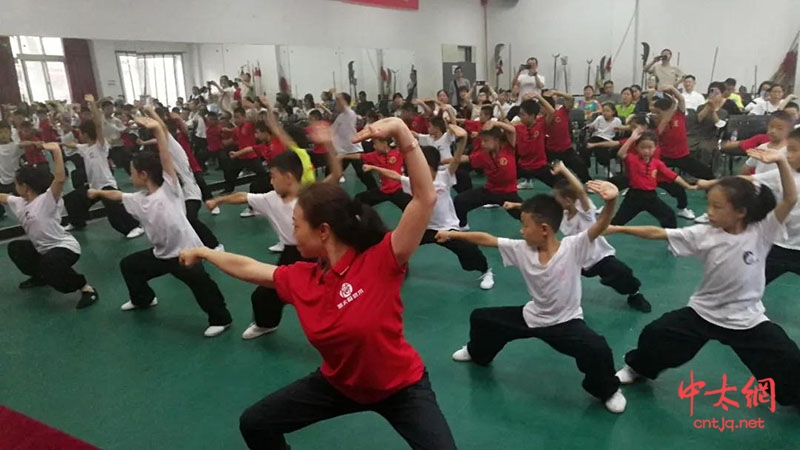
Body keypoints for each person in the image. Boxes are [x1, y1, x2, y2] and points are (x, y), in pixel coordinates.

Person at [178, 117, 457, 450]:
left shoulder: (381, 259)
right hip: (340, 385)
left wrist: (400, 130)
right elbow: (250, 268)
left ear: (323, 231)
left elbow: (424, 199)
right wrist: (206, 253)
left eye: (297, 226)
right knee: (255, 423)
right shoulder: (301, 277)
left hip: (401, 388)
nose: (292, 233)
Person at [612, 148, 800, 409]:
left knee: (787, 357)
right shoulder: (704, 234)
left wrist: (781, 160)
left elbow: (790, 198)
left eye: (717, 207)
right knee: (657, 334)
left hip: (747, 319)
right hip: (703, 313)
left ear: (741, 212)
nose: (709, 212)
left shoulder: (762, 231)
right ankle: (638, 368)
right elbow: (657, 233)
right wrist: (617, 228)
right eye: (709, 204)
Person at [440, 180, 628, 413]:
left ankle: (608, 391)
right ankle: (477, 352)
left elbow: (599, 225)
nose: (521, 230)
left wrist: (611, 202)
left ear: (544, 230)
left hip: (565, 322)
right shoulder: (521, 248)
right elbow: (487, 239)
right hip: (533, 315)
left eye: (524, 225)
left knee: (597, 349)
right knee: (481, 318)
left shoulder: (572, 247)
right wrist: (454, 235)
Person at [89, 114, 232, 337]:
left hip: (186, 252)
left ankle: (221, 319)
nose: (130, 176)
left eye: (132, 172)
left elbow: (166, 159)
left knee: (202, 285)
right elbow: (117, 195)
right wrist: (98, 192)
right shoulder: (137, 198)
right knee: (130, 265)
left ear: (144, 174)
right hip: (161, 254)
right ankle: (143, 299)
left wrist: (158, 130)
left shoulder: (170, 190)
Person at [506, 161, 652, 312]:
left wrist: (563, 169)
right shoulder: (561, 215)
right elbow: (540, 209)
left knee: (623, 274)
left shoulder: (584, 212)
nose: (554, 201)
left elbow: (580, 191)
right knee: (554, 271)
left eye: (557, 198)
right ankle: (553, 298)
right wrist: (515, 205)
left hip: (598, 258)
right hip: (576, 258)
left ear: (568, 201)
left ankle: (635, 295)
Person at [367, 124, 495, 289]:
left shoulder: (444, 177)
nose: (421, 172)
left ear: (434, 167)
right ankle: (396, 268)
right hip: (424, 228)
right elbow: (395, 176)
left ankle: (486, 271)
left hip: (448, 228)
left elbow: (456, 159)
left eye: (426, 168)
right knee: (397, 246)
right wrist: (374, 168)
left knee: (469, 251)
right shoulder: (415, 181)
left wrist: (462, 139)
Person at [1, 142, 98, 309]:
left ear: (25, 186)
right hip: (44, 251)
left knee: (50, 264)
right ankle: (40, 277)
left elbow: (59, 178)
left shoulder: (46, 200)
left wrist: (56, 151)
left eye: (17, 184)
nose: (14, 188)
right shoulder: (19, 202)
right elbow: (2, 197)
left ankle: (86, 288)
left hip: (65, 248)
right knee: (16, 248)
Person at [62, 95, 143, 238]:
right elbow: (72, 145)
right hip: (94, 187)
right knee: (71, 199)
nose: (78, 135)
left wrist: (92, 104)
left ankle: (135, 226)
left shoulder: (100, 146)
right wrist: (56, 145)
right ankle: (77, 222)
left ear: (86, 134)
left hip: (107, 186)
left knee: (115, 216)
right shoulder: (84, 147)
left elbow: (98, 125)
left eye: (80, 133)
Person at [611, 130, 697, 228]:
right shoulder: (632, 159)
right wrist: (631, 139)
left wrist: (688, 186)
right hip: (634, 198)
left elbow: (672, 176)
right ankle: (597, 238)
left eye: (650, 147)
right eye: (642, 147)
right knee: (616, 222)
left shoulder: (657, 163)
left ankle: (673, 241)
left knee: (669, 216)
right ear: (637, 148)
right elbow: (621, 154)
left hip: (651, 197)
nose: (646, 151)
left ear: (655, 148)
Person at [453, 123, 523, 229]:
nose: (482, 144)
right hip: (489, 190)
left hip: (508, 193)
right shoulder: (483, 155)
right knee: (460, 201)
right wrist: (444, 161)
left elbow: (512, 130)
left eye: (486, 141)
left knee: (527, 214)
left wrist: (496, 123)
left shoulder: (509, 148)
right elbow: (465, 158)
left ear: (496, 140)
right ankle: (463, 225)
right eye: (482, 141)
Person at [653, 86, 714, 186]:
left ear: (667, 110)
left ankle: (712, 190)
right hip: (664, 156)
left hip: (682, 156)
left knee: (707, 173)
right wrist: (669, 111)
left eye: (658, 112)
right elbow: (659, 130)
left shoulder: (679, 114)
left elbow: (681, 99)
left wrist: (672, 88)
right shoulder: (658, 122)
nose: (657, 114)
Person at [343, 136, 411, 211]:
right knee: (359, 199)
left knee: (409, 208)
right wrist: (343, 156)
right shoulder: (375, 156)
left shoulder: (398, 153)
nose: (374, 146)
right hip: (384, 190)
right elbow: (359, 156)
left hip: (399, 189)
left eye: (375, 144)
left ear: (384, 144)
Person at [542, 90, 591, 182]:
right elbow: (551, 112)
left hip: (566, 149)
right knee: (551, 173)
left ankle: (588, 183)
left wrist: (556, 92)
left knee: (580, 165)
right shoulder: (544, 117)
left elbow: (570, 98)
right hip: (552, 151)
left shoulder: (563, 110)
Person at [332, 93, 378, 189]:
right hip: (343, 152)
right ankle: (329, 193)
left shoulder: (350, 114)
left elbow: (344, 105)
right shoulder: (340, 117)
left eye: (337, 102)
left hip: (353, 150)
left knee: (364, 175)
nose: (336, 104)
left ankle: (376, 191)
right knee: (332, 174)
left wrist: (336, 94)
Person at [513, 97, 557, 190]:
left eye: (523, 115)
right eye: (520, 114)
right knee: (504, 181)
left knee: (562, 186)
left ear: (532, 115)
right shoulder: (519, 127)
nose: (520, 117)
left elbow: (552, 112)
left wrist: (538, 96)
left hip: (539, 166)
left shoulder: (541, 125)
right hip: (522, 166)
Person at [0, 120, 23, 220]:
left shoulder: (16, 146)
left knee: (22, 202)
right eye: (0, 132)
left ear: (10, 132)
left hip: (15, 181)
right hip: (2, 181)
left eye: (5, 132)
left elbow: (25, 144)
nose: (3, 135)